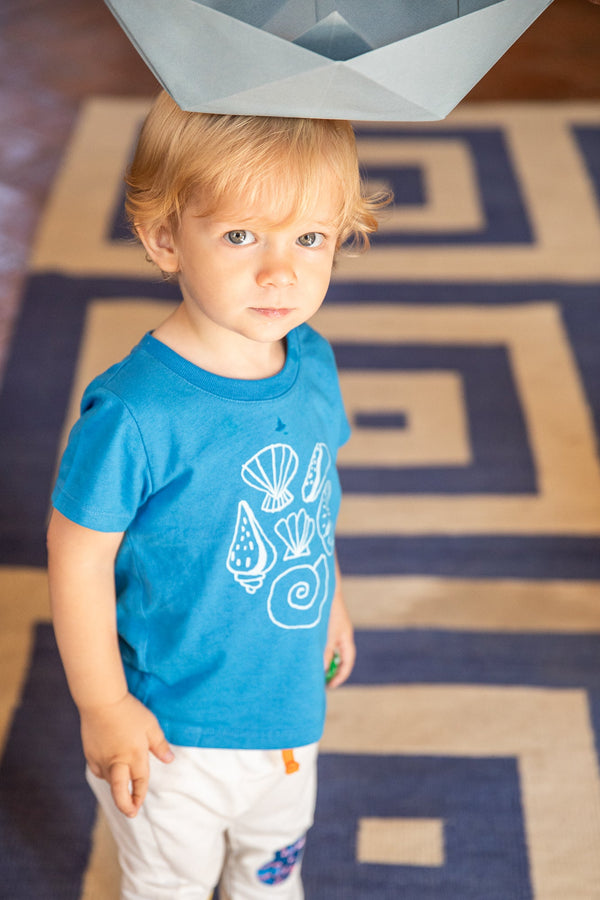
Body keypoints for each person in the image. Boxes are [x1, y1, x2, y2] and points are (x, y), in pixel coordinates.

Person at [47, 90, 388, 900]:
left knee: (271, 875)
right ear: (165, 237)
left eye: (310, 237)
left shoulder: (311, 362)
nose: (281, 271)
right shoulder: (135, 412)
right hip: (172, 732)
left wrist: (331, 601)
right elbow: (77, 556)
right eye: (240, 235)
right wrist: (105, 706)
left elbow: (313, 507)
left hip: (288, 708)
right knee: (169, 886)